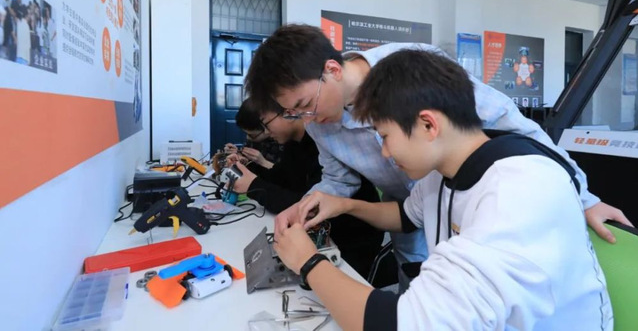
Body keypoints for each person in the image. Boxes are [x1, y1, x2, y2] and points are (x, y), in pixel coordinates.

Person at [245, 24, 630, 290]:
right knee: (421, 288)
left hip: (469, 211)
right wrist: (314, 201)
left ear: (331, 70)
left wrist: (582, 196)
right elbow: (341, 181)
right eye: (293, 114)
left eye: (304, 105)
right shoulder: (320, 124)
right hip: (414, 215)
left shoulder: (411, 71)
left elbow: (511, 124)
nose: (307, 119)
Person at [226, 97, 384, 278]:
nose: (266, 133)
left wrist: (253, 185)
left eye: (266, 124)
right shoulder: (293, 144)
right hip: (325, 236)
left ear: (289, 112)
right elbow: (282, 180)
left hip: (351, 239)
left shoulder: (321, 142)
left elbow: (307, 206)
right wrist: (248, 171)